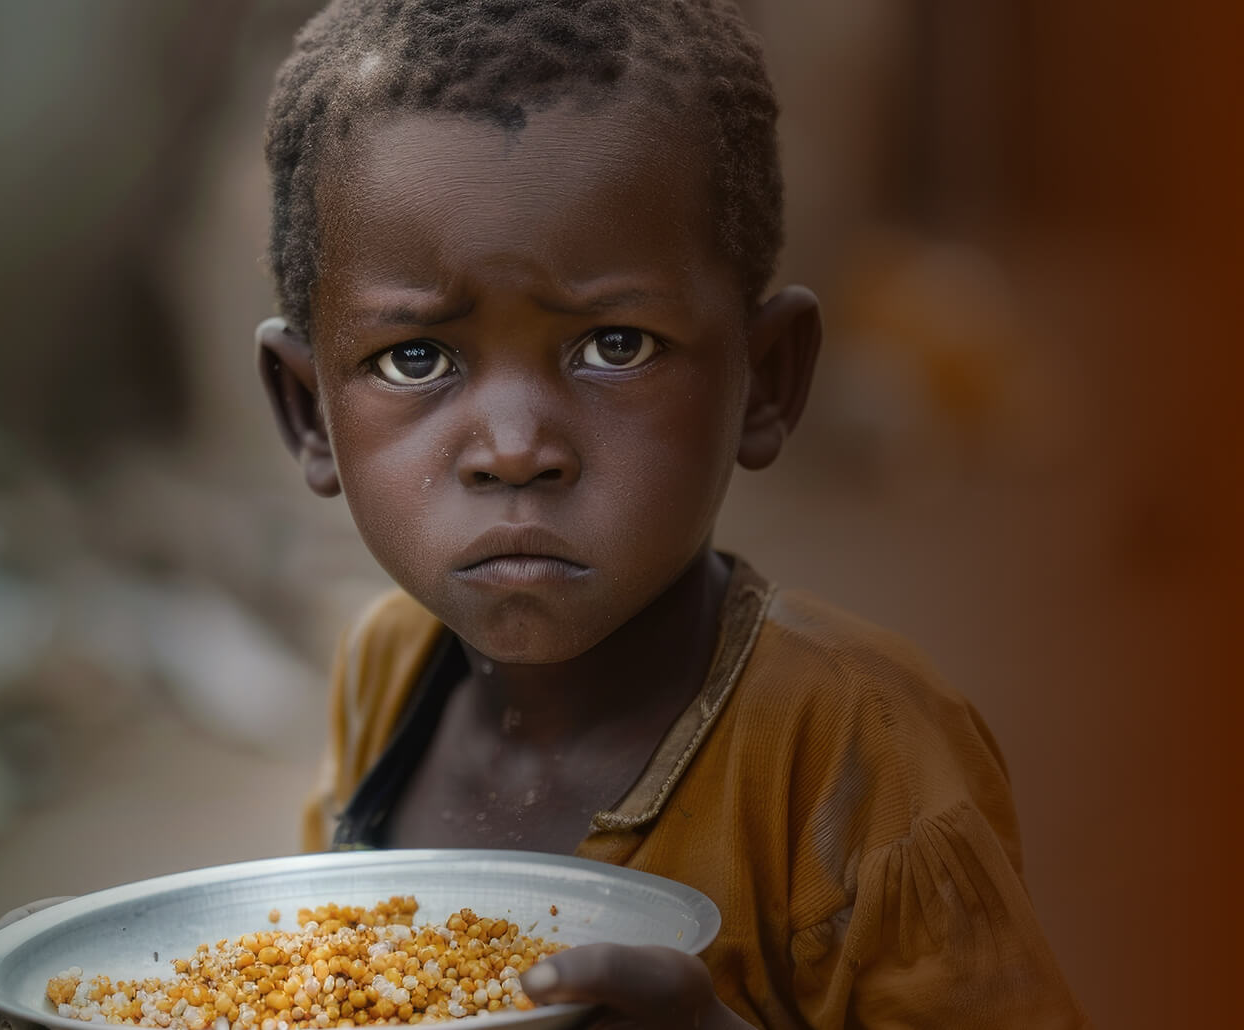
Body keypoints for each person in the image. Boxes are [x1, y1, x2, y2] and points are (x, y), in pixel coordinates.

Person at [254, 0, 1088, 1026]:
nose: (515, 446)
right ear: (307, 411)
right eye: (414, 358)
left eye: (614, 344)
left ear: (766, 379)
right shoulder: (384, 678)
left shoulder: (853, 752)